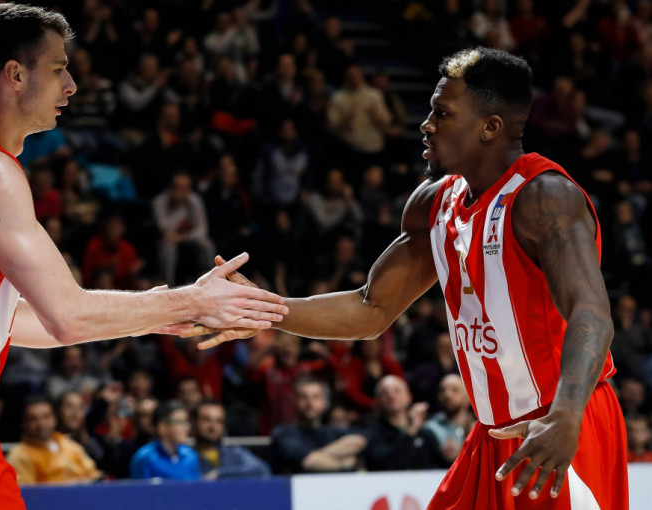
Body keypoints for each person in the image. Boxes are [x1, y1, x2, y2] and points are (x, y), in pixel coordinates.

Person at [0, 4, 287, 510]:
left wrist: (147, 317)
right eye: (59, 68)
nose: (72, 85)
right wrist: (191, 301)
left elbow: (13, 321)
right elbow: (68, 315)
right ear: (15, 75)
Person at [198, 47, 627, 508]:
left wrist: (565, 415)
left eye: (442, 113)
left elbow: (591, 314)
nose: (426, 125)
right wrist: (263, 309)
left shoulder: (545, 197)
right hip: (492, 435)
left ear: (490, 127)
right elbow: (371, 309)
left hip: (562, 423)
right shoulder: (433, 203)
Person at [268, 377, 366, 474]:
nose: (310, 403)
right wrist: (343, 464)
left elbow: (359, 441)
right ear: (294, 400)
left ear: (324, 402)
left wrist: (317, 457)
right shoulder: (284, 433)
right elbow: (308, 462)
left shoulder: (332, 431)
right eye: (304, 397)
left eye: (316, 397)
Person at [6, 395, 102, 484]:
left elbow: (94, 475)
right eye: (33, 419)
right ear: (24, 424)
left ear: (54, 419)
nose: (41, 424)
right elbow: (26, 492)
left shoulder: (69, 445)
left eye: (46, 416)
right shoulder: (19, 455)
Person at [362, 375, 445, 471]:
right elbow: (383, 464)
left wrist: (449, 457)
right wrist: (410, 433)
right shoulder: (372, 433)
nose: (391, 395)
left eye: (397, 390)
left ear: (409, 396)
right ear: (377, 401)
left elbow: (440, 466)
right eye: (384, 392)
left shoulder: (425, 433)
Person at [193, 400, 271, 479]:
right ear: (194, 421)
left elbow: (262, 469)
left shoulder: (234, 453)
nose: (213, 427)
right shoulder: (187, 457)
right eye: (207, 420)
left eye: (219, 421)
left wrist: (219, 475)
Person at [128, 400, 200, 480]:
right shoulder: (146, 458)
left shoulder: (191, 456)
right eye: (180, 422)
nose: (186, 428)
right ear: (162, 427)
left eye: (186, 422)